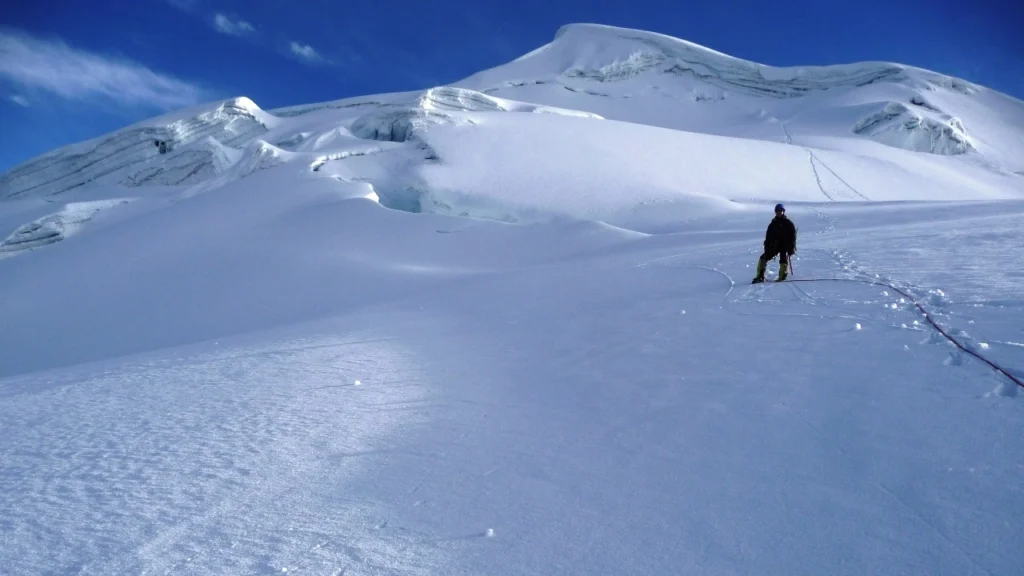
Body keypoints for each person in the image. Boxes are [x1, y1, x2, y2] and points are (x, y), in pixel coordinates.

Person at [752, 203, 797, 283]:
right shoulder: (773, 224)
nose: (779, 212)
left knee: (783, 260)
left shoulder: (788, 223)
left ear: (783, 211)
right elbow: (768, 237)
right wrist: (767, 246)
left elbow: (793, 236)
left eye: (780, 211)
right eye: (777, 211)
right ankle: (759, 276)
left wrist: (792, 246)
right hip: (774, 246)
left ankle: (782, 277)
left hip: (784, 246)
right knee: (763, 258)